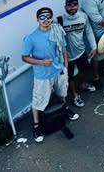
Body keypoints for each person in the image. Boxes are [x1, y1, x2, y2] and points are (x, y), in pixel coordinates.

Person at [21, 7, 79, 143]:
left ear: (52, 18)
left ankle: (65, 109)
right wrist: (41, 62)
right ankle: (36, 126)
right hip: (42, 75)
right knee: (38, 101)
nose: (45, 19)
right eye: (42, 17)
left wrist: (65, 65)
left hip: (59, 71)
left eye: (48, 16)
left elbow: (63, 48)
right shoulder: (31, 38)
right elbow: (24, 57)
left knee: (62, 92)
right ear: (37, 19)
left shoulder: (57, 30)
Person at [60, 0, 97, 108]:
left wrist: (93, 46)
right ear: (65, 7)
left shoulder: (83, 16)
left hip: (81, 51)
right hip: (67, 57)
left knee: (83, 70)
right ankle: (75, 95)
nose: (72, 7)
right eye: (69, 5)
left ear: (78, 6)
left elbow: (88, 31)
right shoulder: (60, 20)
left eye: (75, 5)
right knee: (70, 76)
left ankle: (82, 84)